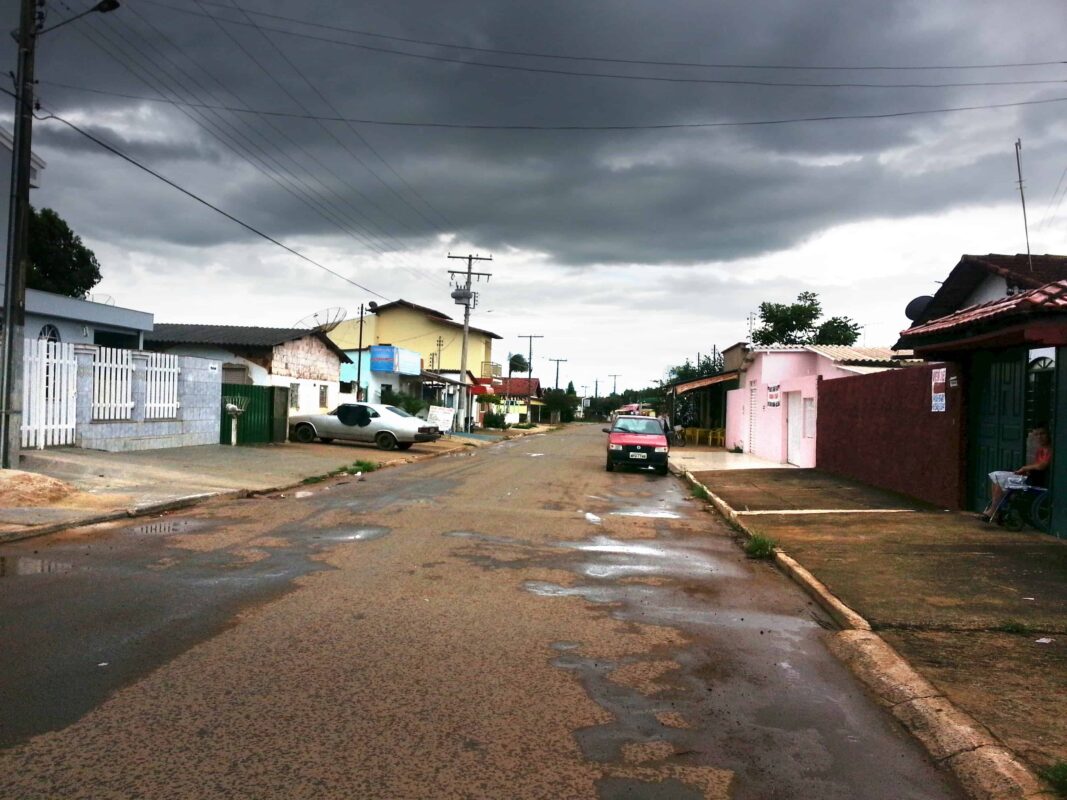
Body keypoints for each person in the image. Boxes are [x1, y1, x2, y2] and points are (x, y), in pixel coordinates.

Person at [982, 426, 1051, 521]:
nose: (1040, 437)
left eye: (1042, 434)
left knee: (1000, 478)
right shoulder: (1040, 450)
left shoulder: (1050, 450)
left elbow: (1042, 466)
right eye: (1037, 435)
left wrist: (1025, 468)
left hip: (1037, 480)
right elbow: (1036, 465)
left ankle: (993, 510)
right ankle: (995, 510)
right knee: (996, 478)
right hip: (1031, 475)